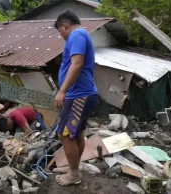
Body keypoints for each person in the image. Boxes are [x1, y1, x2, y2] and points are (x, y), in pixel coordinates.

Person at [53, 11, 99, 186]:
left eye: (60, 31)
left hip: (78, 94)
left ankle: (74, 174)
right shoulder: (82, 34)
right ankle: (74, 168)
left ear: (64, 25)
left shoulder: (76, 34)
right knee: (76, 133)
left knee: (64, 135)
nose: (61, 36)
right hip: (82, 94)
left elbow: (77, 63)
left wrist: (62, 90)